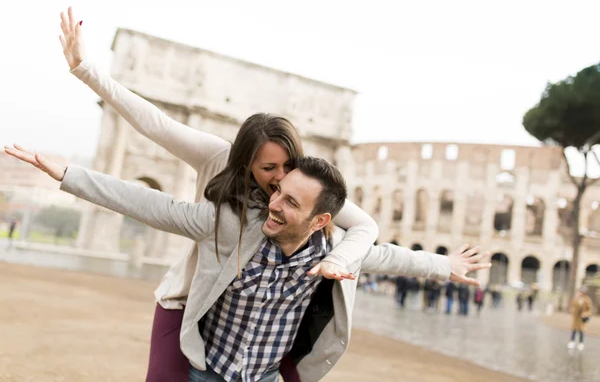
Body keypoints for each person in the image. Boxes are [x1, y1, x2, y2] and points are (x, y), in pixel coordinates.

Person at [57, 7, 379, 382]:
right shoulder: (217, 157)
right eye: (267, 169)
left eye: (286, 166)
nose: (280, 180)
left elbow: (365, 229)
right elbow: (155, 124)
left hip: (248, 320)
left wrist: (339, 258)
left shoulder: (304, 182)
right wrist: (85, 69)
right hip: (189, 296)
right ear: (245, 164)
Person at [5, 146, 491, 382]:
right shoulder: (234, 226)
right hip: (205, 371)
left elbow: (387, 256)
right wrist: (69, 174)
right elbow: (151, 204)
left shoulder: (332, 255)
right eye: (277, 190)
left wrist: (442, 267)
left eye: (291, 202)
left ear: (322, 219)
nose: (274, 203)